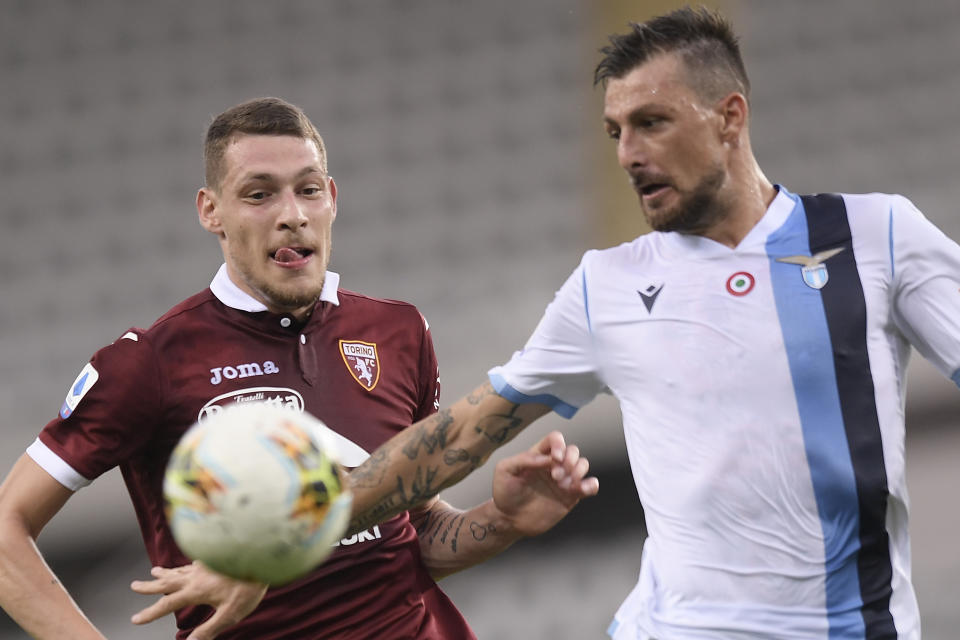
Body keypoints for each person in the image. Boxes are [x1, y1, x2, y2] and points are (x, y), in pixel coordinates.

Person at [335, 7, 960, 639]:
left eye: (651, 124)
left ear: (729, 117)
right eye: (616, 133)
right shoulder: (607, 286)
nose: (629, 155)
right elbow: (464, 431)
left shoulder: (874, 236)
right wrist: (314, 517)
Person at [0, 97, 598, 639]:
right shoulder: (149, 362)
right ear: (212, 211)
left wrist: (503, 521)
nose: (291, 214)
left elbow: (411, 534)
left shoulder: (397, 332)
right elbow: (6, 528)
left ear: (332, 198)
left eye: (307, 190)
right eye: (259, 194)